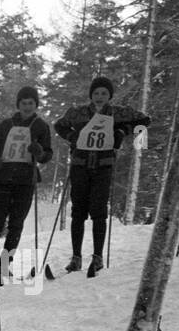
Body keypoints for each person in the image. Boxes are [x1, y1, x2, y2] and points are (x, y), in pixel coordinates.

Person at [53, 76, 151, 275]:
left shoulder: (118, 112)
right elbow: (59, 125)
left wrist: (123, 131)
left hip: (103, 167)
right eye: (96, 93)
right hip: (80, 165)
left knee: (98, 212)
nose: (99, 97)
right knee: (78, 212)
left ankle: (97, 257)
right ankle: (76, 257)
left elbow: (144, 121)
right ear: (91, 95)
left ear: (109, 96)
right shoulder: (78, 112)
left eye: (104, 93)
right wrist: (72, 137)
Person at [0, 86, 53, 284]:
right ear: (18, 104)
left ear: (35, 105)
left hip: (25, 180)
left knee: (16, 224)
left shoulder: (40, 126)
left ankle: (5, 265)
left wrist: (39, 152)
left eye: (31, 103)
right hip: (4, 178)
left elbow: (47, 154)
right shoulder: (6, 124)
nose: (27, 106)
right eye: (24, 103)